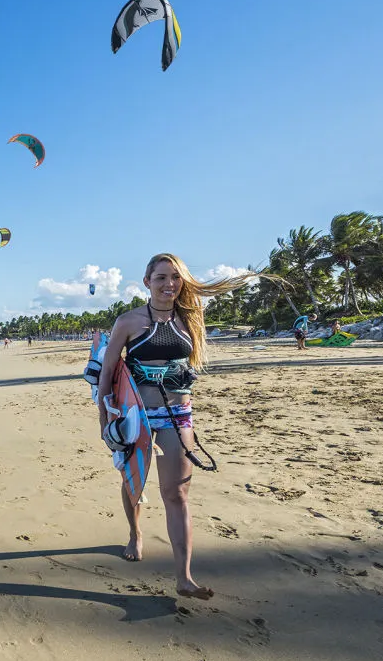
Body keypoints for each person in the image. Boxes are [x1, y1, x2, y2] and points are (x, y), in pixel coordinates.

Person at [97, 253, 261, 600]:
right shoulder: (128, 321)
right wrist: (106, 419)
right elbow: (108, 373)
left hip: (177, 414)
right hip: (135, 416)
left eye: (175, 277)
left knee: (177, 493)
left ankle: (185, 578)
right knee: (134, 485)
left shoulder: (191, 319)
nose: (169, 284)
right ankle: (135, 533)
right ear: (147, 282)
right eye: (160, 278)